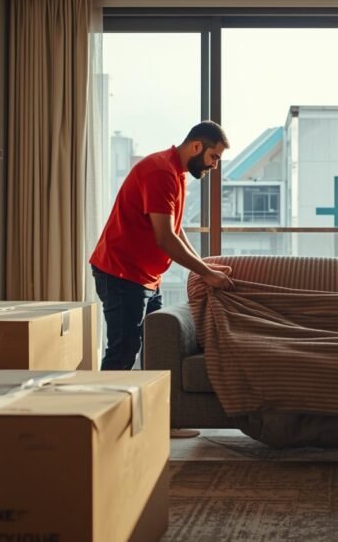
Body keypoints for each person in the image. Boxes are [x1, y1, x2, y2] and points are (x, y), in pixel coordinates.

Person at [90, 121, 235, 437]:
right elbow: (165, 238)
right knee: (124, 350)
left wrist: (204, 264)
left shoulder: (177, 173)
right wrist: (206, 273)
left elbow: (177, 229)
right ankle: (97, 428)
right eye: (214, 157)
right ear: (197, 147)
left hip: (145, 276)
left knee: (155, 349)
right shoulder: (160, 173)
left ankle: (156, 423)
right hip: (121, 272)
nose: (214, 165)